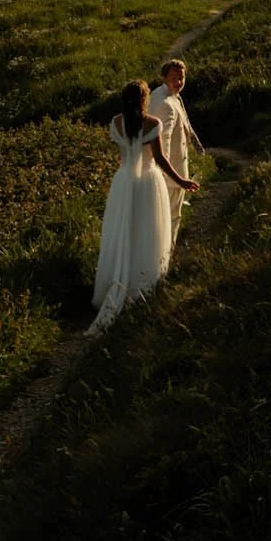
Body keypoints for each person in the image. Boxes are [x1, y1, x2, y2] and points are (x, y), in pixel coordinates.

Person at [88, 78, 199, 335]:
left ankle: (116, 281)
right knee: (147, 230)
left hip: (123, 181)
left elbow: (124, 151)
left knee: (122, 231)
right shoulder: (152, 124)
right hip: (148, 182)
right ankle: (143, 284)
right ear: (144, 99)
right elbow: (159, 159)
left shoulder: (116, 123)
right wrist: (181, 180)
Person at [149, 58, 200, 231]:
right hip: (172, 176)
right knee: (171, 220)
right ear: (164, 78)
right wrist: (173, 177)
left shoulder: (164, 95)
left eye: (182, 78)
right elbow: (164, 142)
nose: (178, 82)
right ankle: (166, 256)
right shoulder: (166, 104)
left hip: (169, 174)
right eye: (174, 78)